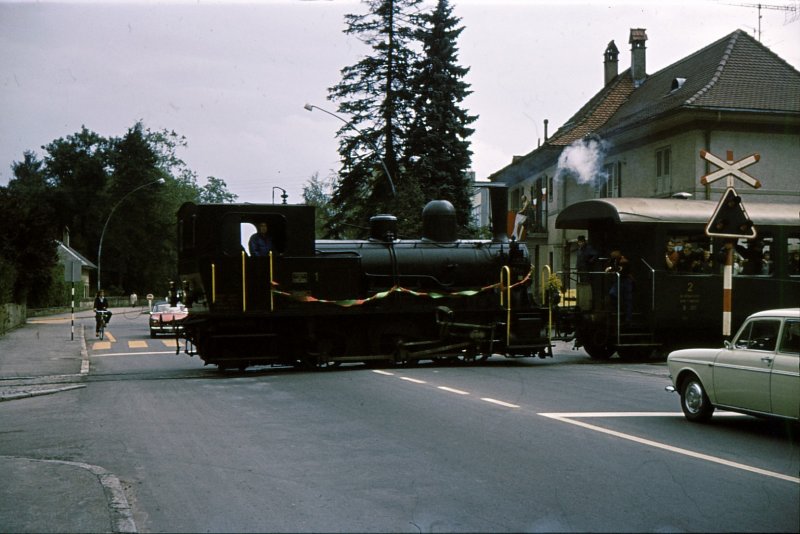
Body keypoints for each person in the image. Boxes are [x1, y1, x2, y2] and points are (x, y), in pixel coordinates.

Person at [605, 248, 633, 324]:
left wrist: (610, 268)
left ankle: (628, 319)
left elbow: (621, 269)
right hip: (619, 280)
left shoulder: (623, 259)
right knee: (612, 293)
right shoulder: (614, 259)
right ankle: (618, 309)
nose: (612, 254)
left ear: (618, 252)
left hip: (626, 280)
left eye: (614, 252)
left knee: (628, 300)